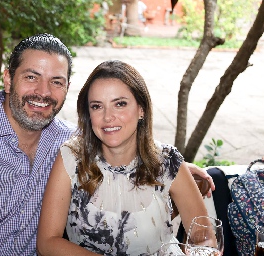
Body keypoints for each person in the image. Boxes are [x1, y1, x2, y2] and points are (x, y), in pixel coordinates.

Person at [0, 34, 213, 255]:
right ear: (7, 79)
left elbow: (113, 139)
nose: (43, 92)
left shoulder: (64, 139)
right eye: (32, 77)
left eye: (56, 81)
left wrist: (172, 167)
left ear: (67, 87)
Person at [37, 60, 212, 255]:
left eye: (119, 104)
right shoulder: (72, 158)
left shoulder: (168, 162)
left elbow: (204, 240)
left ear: (141, 109)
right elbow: (47, 243)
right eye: (97, 106)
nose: (108, 117)